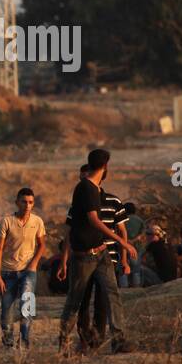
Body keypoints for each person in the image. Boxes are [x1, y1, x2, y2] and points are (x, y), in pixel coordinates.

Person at [58, 149, 129, 353]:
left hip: (102, 253)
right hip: (85, 256)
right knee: (76, 300)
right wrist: (122, 242)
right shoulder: (86, 189)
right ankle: (64, 342)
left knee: (111, 294)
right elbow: (93, 220)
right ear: (105, 166)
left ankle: (119, 340)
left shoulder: (97, 190)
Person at [0, 187, 46, 349]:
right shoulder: (6, 221)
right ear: (17, 202)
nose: (27, 205)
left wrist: (34, 263)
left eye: (30, 202)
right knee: (6, 312)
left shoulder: (37, 222)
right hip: (7, 271)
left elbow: (42, 245)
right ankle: (9, 344)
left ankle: (24, 340)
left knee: (27, 305)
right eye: (24, 202)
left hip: (28, 271)